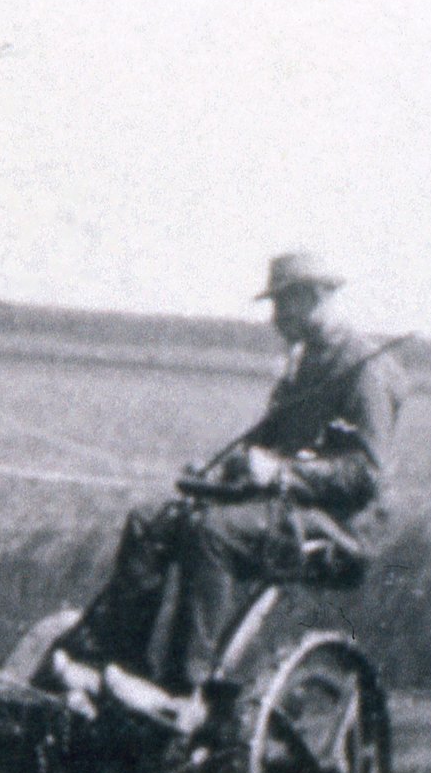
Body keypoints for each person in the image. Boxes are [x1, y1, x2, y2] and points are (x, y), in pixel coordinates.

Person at [50, 251, 405, 704]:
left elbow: (366, 475)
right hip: (287, 509)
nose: (275, 318)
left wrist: (280, 471)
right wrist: (223, 471)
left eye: (283, 305)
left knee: (212, 533)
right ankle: (117, 664)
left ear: (314, 297)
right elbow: (266, 446)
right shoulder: (306, 364)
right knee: (151, 520)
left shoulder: (363, 369)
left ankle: (181, 688)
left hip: (338, 529)